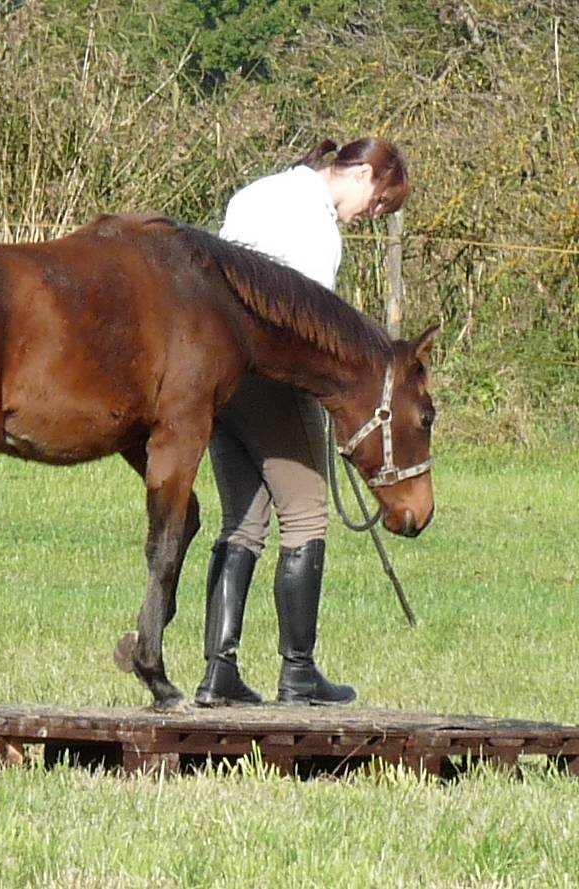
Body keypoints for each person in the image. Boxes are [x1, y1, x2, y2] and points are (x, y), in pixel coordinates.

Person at [195, 137, 410, 707]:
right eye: (379, 203)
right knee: (308, 515)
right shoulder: (317, 229)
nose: (371, 217)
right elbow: (311, 331)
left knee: (241, 523)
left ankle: (219, 672)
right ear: (362, 173)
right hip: (275, 385)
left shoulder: (257, 194)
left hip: (222, 380)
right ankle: (298, 672)